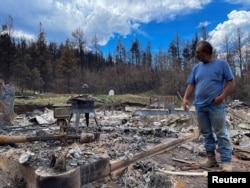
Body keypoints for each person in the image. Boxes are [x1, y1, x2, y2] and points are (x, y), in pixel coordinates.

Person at [182, 40, 235, 172]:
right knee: (206, 133)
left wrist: (222, 97)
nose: (196, 55)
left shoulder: (221, 64)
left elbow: (231, 82)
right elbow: (191, 84)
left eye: (198, 53)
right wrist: (185, 98)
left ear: (206, 52)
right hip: (199, 106)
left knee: (221, 133)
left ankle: (226, 163)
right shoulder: (196, 68)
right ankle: (211, 159)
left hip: (215, 105)